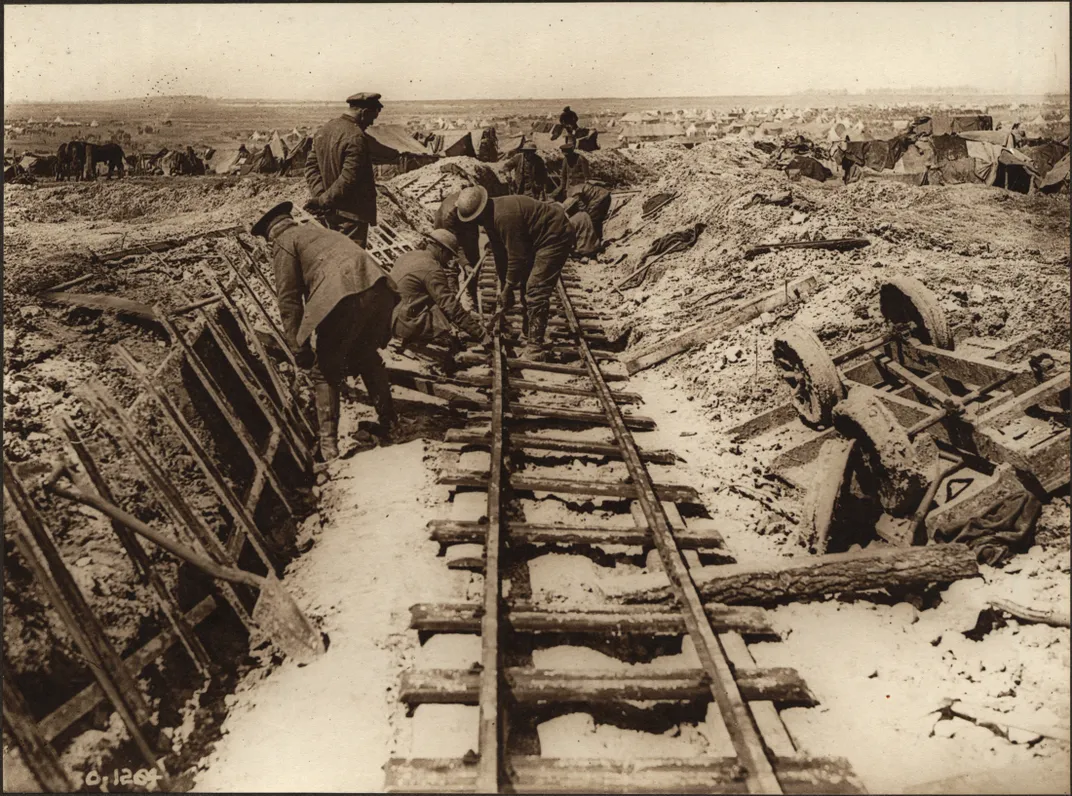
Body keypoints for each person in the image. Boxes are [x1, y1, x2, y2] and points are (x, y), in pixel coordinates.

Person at [251, 201, 400, 462]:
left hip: (344, 298)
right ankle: (390, 422)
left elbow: (289, 300)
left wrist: (300, 349)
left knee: (324, 372)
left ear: (268, 234)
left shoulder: (284, 243)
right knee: (366, 356)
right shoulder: (319, 232)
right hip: (379, 288)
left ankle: (328, 448)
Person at [455, 186, 571, 361]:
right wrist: (504, 286)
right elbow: (501, 254)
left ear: (481, 210)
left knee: (535, 289)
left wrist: (508, 287)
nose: (475, 223)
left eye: (475, 219)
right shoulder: (490, 218)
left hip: (554, 236)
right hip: (534, 239)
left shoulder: (504, 217)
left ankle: (535, 347)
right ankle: (528, 332)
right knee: (525, 284)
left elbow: (517, 257)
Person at [304, 92, 383, 247]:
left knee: (334, 255)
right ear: (364, 112)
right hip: (352, 215)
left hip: (330, 212)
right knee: (350, 262)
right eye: (372, 118)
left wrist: (321, 196)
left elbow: (311, 167)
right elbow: (349, 178)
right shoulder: (356, 136)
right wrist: (323, 200)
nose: (371, 123)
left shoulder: (324, 130)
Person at [391, 229, 484, 351]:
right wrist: (480, 334)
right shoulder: (432, 268)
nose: (449, 259)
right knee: (446, 332)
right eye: (449, 254)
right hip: (405, 323)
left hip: (390, 317)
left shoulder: (408, 255)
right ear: (441, 250)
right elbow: (450, 306)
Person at [434, 190, 483, 305]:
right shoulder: (447, 218)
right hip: (447, 234)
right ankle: (454, 302)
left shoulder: (471, 199)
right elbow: (455, 246)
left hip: (466, 226)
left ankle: (472, 295)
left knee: (474, 261)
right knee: (450, 268)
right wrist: (465, 264)